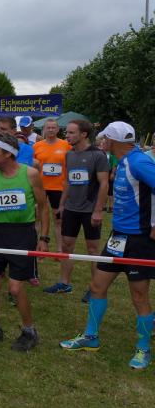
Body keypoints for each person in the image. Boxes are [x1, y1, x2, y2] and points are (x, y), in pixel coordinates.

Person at [60, 121, 155, 369]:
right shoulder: (121, 161)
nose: (102, 141)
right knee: (96, 286)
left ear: (114, 140)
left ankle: (143, 348)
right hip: (117, 236)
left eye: (105, 138)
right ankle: (91, 337)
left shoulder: (139, 162)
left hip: (139, 240)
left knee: (139, 296)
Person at [0, 132, 48, 351]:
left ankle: (29, 331)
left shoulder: (30, 174)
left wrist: (44, 238)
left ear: (8, 153)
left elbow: (43, 207)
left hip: (21, 234)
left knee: (15, 288)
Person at [47, 120, 108, 298]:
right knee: (66, 246)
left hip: (90, 209)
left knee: (93, 250)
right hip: (71, 209)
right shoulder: (69, 154)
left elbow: (104, 184)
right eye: (67, 132)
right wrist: (62, 204)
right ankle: (64, 283)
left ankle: (96, 289)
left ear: (83, 134)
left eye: (71, 132)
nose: (67, 135)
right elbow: (67, 181)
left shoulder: (98, 155)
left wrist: (98, 210)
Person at [33, 118, 71, 253]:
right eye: (48, 127)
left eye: (53, 127)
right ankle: (35, 247)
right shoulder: (37, 146)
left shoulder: (66, 145)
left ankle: (60, 250)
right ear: (44, 129)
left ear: (58, 129)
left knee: (58, 219)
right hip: (40, 186)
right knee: (37, 217)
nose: (50, 130)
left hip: (58, 187)